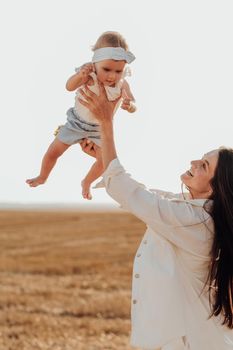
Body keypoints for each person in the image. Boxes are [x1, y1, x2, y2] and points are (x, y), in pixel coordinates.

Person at [78, 83, 233, 349]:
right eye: (201, 159)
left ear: (214, 187)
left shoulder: (196, 220)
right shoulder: (190, 209)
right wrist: (106, 156)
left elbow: (134, 196)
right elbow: (141, 194)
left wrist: (106, 122)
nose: (194, 163)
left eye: (204, 166)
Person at [26, 31, 136, 199]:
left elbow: (134, 103)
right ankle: (42, 176)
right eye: (106, 69)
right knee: (53, 151)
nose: (112, 76)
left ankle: (87, 182)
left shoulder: (122, 84)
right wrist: (80, 76)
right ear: (95, 63)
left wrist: (130, 105)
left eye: (118, 71)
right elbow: (69, 87)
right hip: (76, 123)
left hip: (99, 129)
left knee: (105, 161)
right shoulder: (88, 73)